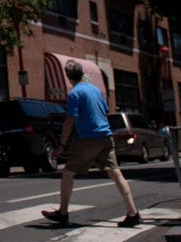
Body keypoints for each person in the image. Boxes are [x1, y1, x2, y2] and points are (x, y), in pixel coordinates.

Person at [42, 60, 141, 227]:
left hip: (88, 139)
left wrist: (61, 145)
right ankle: (133, 213)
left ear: (68, 77)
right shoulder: (96, 90)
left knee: (68, 173)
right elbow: (105, 111)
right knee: (116, 173)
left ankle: (63, 212)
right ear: (81, 73)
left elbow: (70, 121)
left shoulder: (75, 94)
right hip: (106, 136)